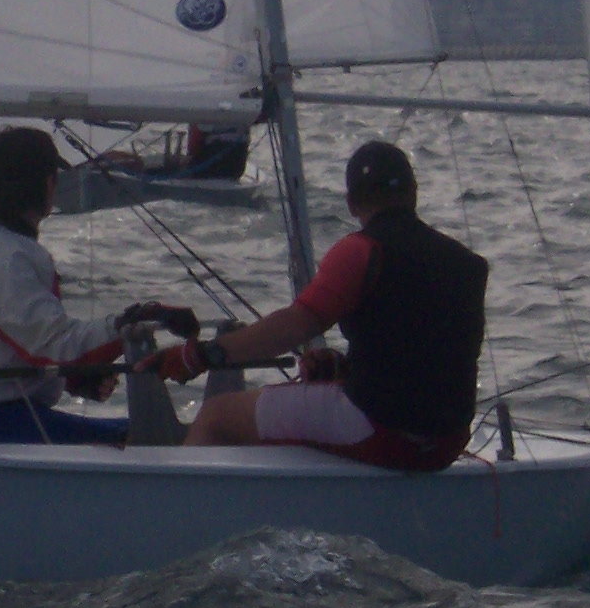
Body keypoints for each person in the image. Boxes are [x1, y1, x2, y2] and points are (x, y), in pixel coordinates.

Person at [149, 141, 488, 470]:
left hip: (381, 431)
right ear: (413, 193)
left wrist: (200, 355)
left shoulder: (361, 250)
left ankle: (187, 506)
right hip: (447, 441)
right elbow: (427, 350)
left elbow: (295, 326)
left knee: (216, 416)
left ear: (351, 204)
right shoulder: (468, 263)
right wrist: (344, 368)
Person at [0, 126, 195, 442]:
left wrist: (72, 379)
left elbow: (8, 340)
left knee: (145, 435)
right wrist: (137, 321)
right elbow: (54, 344)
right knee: (158, 439)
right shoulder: (5, 255)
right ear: (48, 183)